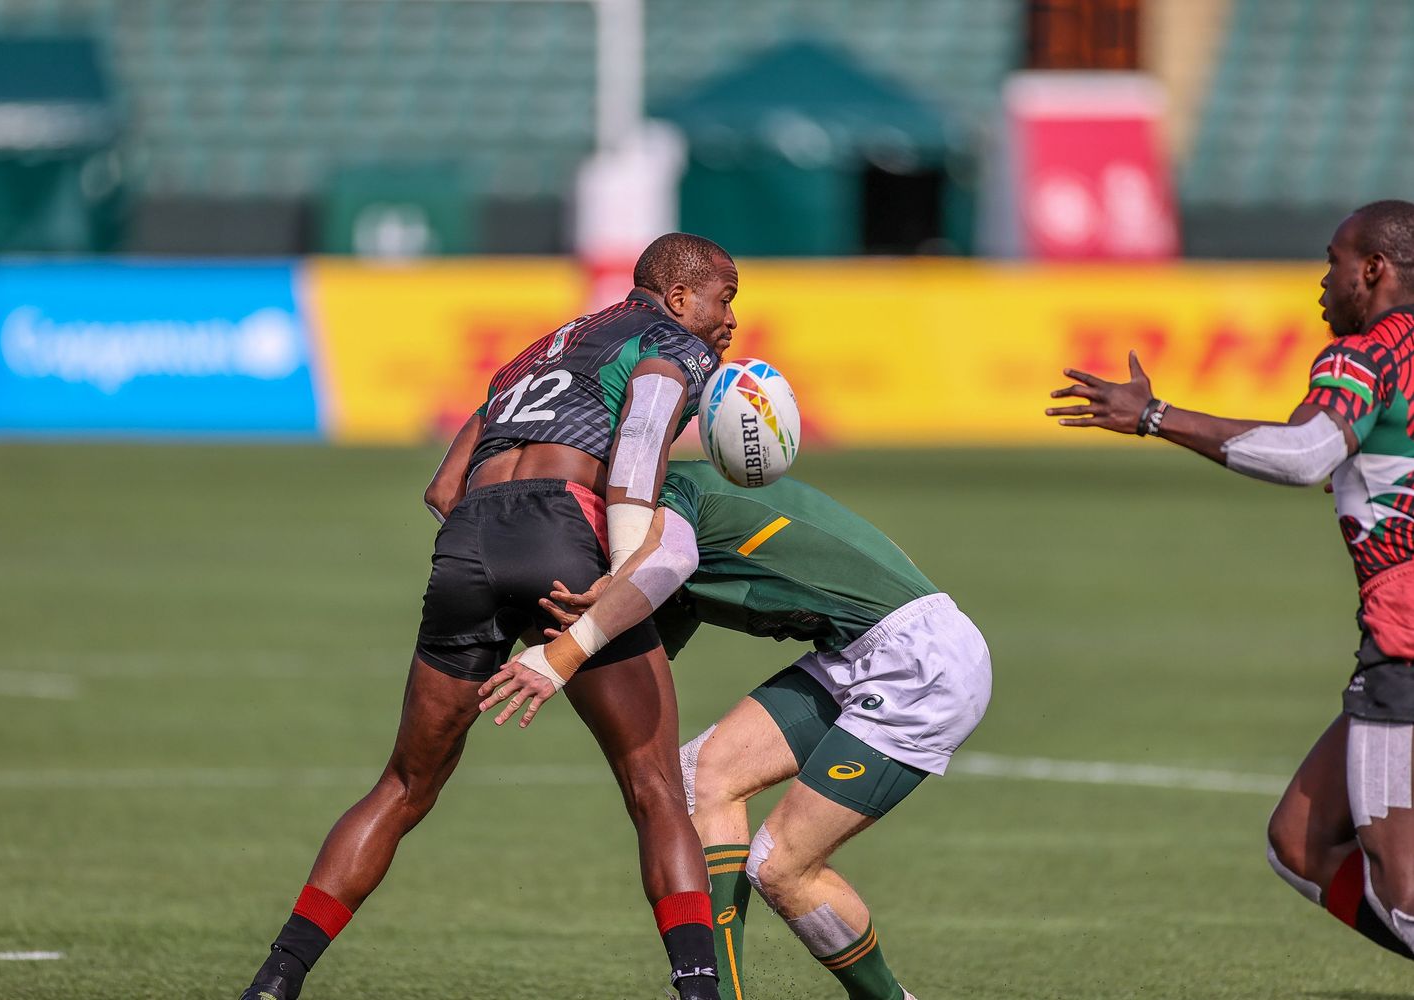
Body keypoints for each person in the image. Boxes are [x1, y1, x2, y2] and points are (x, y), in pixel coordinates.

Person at [238, 233, 739, 1000]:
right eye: (723, 298)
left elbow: (443, 489)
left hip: (470, 539)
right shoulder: (674, 343)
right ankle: (701, 992)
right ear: (677, 299)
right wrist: (623, 567)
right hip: (566, 531)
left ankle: (275, 981)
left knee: (404, 785)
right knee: (654, 786)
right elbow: (638, 447)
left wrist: (494, 554)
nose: (730, 318)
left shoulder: (545, 348)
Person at [1045, 199, 1414, 961]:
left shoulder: (1366, 354)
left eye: (1333, 262)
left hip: (1406, 637)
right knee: (1301, 841)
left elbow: (1305, 452)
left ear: (1372, 270)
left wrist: (1157, 418)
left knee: (1401, 883)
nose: (1322, 283)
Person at [481, 460, 993, 1000]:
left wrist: (564, 650)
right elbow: (637, 663)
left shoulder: (673, 499)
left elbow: (664, 560)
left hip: (921, 662)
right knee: (703, 773)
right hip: (853, 655)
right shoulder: (650, 547)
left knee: (780, 867)